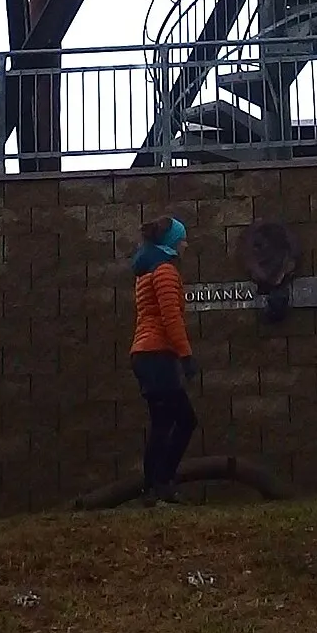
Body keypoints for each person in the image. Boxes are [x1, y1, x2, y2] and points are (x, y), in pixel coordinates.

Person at [131, 215, 196, 502]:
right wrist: (186, 356)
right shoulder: (165, 272)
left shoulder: (146, 271)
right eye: (182, 238)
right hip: (157, 354)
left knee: (163, 421)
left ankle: (153, 488)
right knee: (184, 419)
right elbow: (171, 318)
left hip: (144, 355)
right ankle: (162, 482)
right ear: (172, 242)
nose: (186, 243)